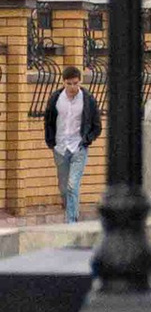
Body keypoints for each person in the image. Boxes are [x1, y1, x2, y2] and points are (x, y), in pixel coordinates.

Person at [45, 65, 99, 222]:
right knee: (63, 188)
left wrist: (87, 140)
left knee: (72, 185)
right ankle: (71, 212)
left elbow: (97, 125)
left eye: (75, 83)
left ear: (80, 82)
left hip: (78, 148)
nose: (72, 87)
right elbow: (48, 121)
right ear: (63, 82)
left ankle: (72, 222)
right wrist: (51, 141)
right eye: (69, 83)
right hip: (60, 148)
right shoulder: (56, 98)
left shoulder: (88, 100)